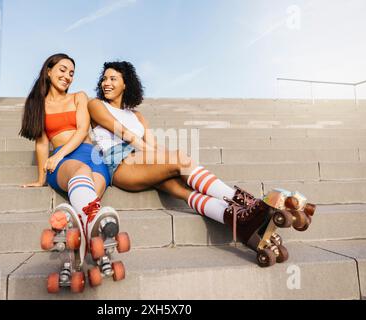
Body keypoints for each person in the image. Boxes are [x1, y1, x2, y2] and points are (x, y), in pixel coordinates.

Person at [87, 61, 310, 259]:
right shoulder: (96, 105)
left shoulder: (137, 115)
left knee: (183, 190)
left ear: (125, 84)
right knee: (179, 160)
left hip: (143, 160)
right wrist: (164, 157)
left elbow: (154, 145)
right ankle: (248, 204)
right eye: (104, 78)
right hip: (121, 164)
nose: (106, 82)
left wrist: (164, 155)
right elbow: (123, 133)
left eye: (113, 78)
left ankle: (238, 222)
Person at [19, 53, 118, 251]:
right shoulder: (38, 105)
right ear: (48, 71)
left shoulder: (78, 97)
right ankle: (95, 232)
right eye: (62, 70)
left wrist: (58, 154)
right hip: (64, 163)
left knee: (94, 188)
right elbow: (41, 144)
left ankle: (80, 230)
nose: (67, 76)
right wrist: (41, 178)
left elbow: (82, 130)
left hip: (91, 155)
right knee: (81, 172)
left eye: (71, 73)